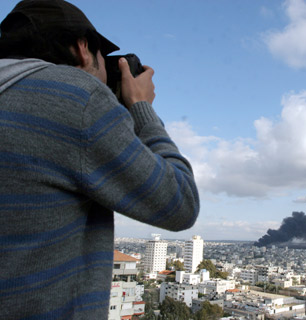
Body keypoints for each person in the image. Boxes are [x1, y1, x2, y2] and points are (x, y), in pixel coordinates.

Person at [0, 0, 200, 318]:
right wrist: (141, 108)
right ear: (83, 48)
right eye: (102, 58)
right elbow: (181, 203)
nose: (106, 71)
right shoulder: (78, 98)